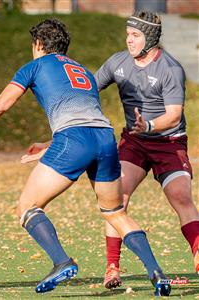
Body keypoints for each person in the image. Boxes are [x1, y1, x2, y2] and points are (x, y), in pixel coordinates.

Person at [0, 18, 171, 296]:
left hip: (74, 139)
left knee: (27, 207)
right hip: (104, 138)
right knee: (115, 212)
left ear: (39, 44)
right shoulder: (85, 73)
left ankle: (61, 261)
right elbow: (86, 118)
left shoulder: (35, 65)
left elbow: (1, 105)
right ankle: (156, 271)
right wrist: (49, 145)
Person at [94, 10, 199, 289]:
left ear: (150, 37)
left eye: (135, 35)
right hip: (134, 143)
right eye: (128, 34)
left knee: (181, 197)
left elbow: (174, 115)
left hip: (169, 142)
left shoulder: (171, 68)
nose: (129, 40)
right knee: (117, 198)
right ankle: (112, 267)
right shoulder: (118, 62)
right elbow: (89, 89)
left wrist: (149, 125)